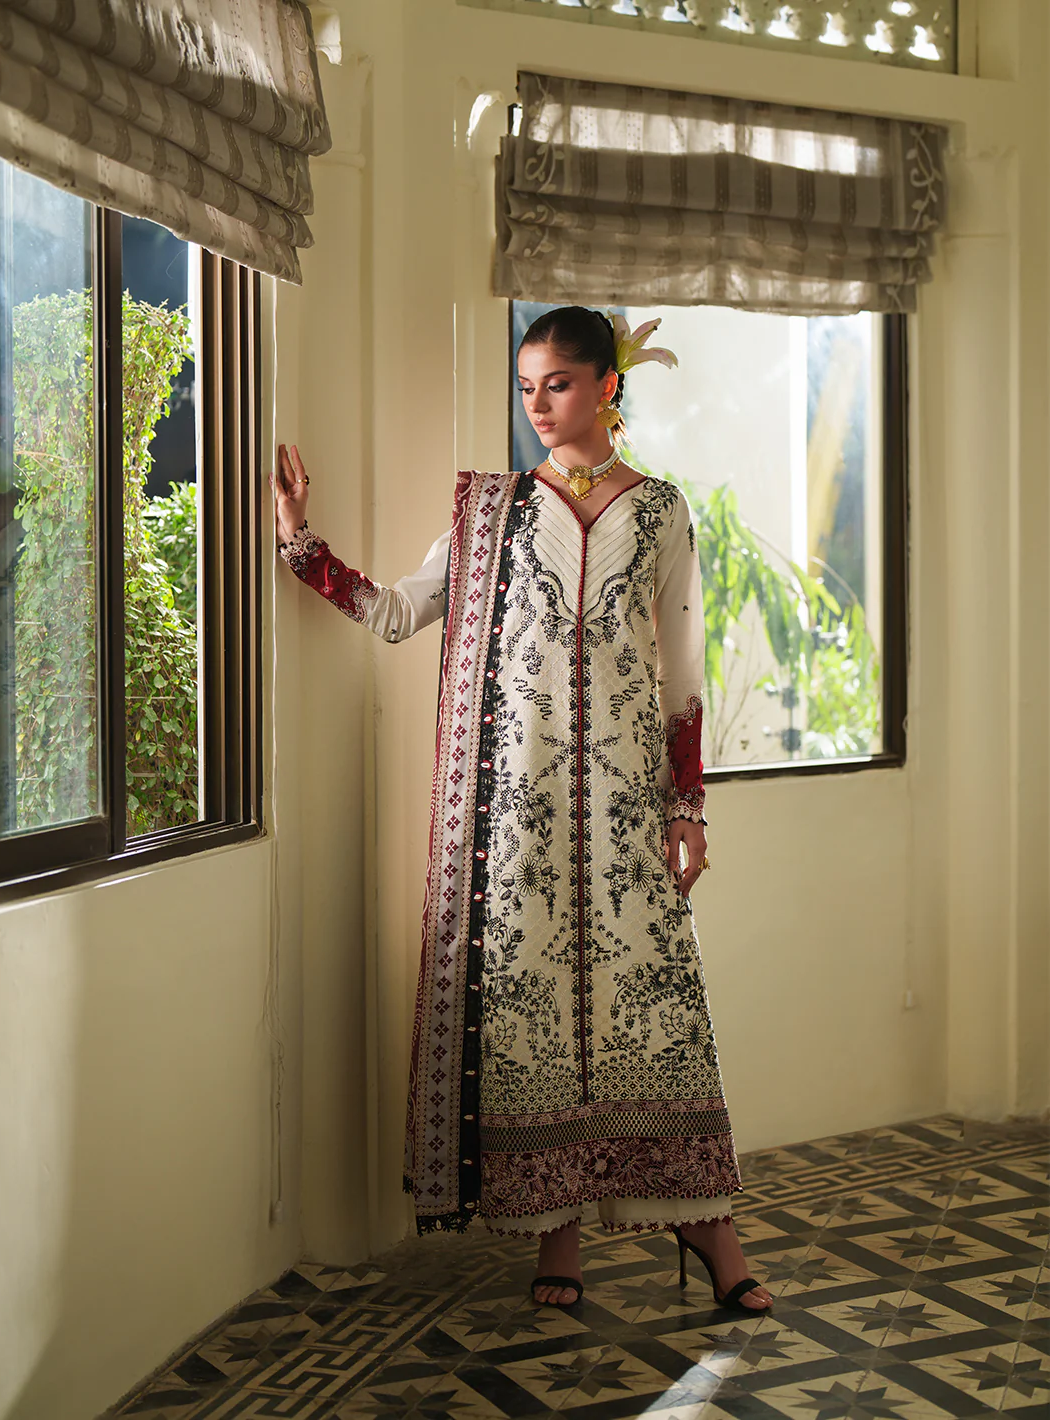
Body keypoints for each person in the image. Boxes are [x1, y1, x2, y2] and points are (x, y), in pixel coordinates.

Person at [272, 305, 773, 1313]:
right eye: (527, 386)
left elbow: (682, 674)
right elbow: (398, 612)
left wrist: (688, 807)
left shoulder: (661, 512)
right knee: (530, 1016)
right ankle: (557, 1239)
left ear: (607, 386)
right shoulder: (491, 515)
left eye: (559, 383)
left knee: (659, 1011)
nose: (539, 405)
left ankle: (710, 1230)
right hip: (518, 819)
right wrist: (301, 545)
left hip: (628, 811)